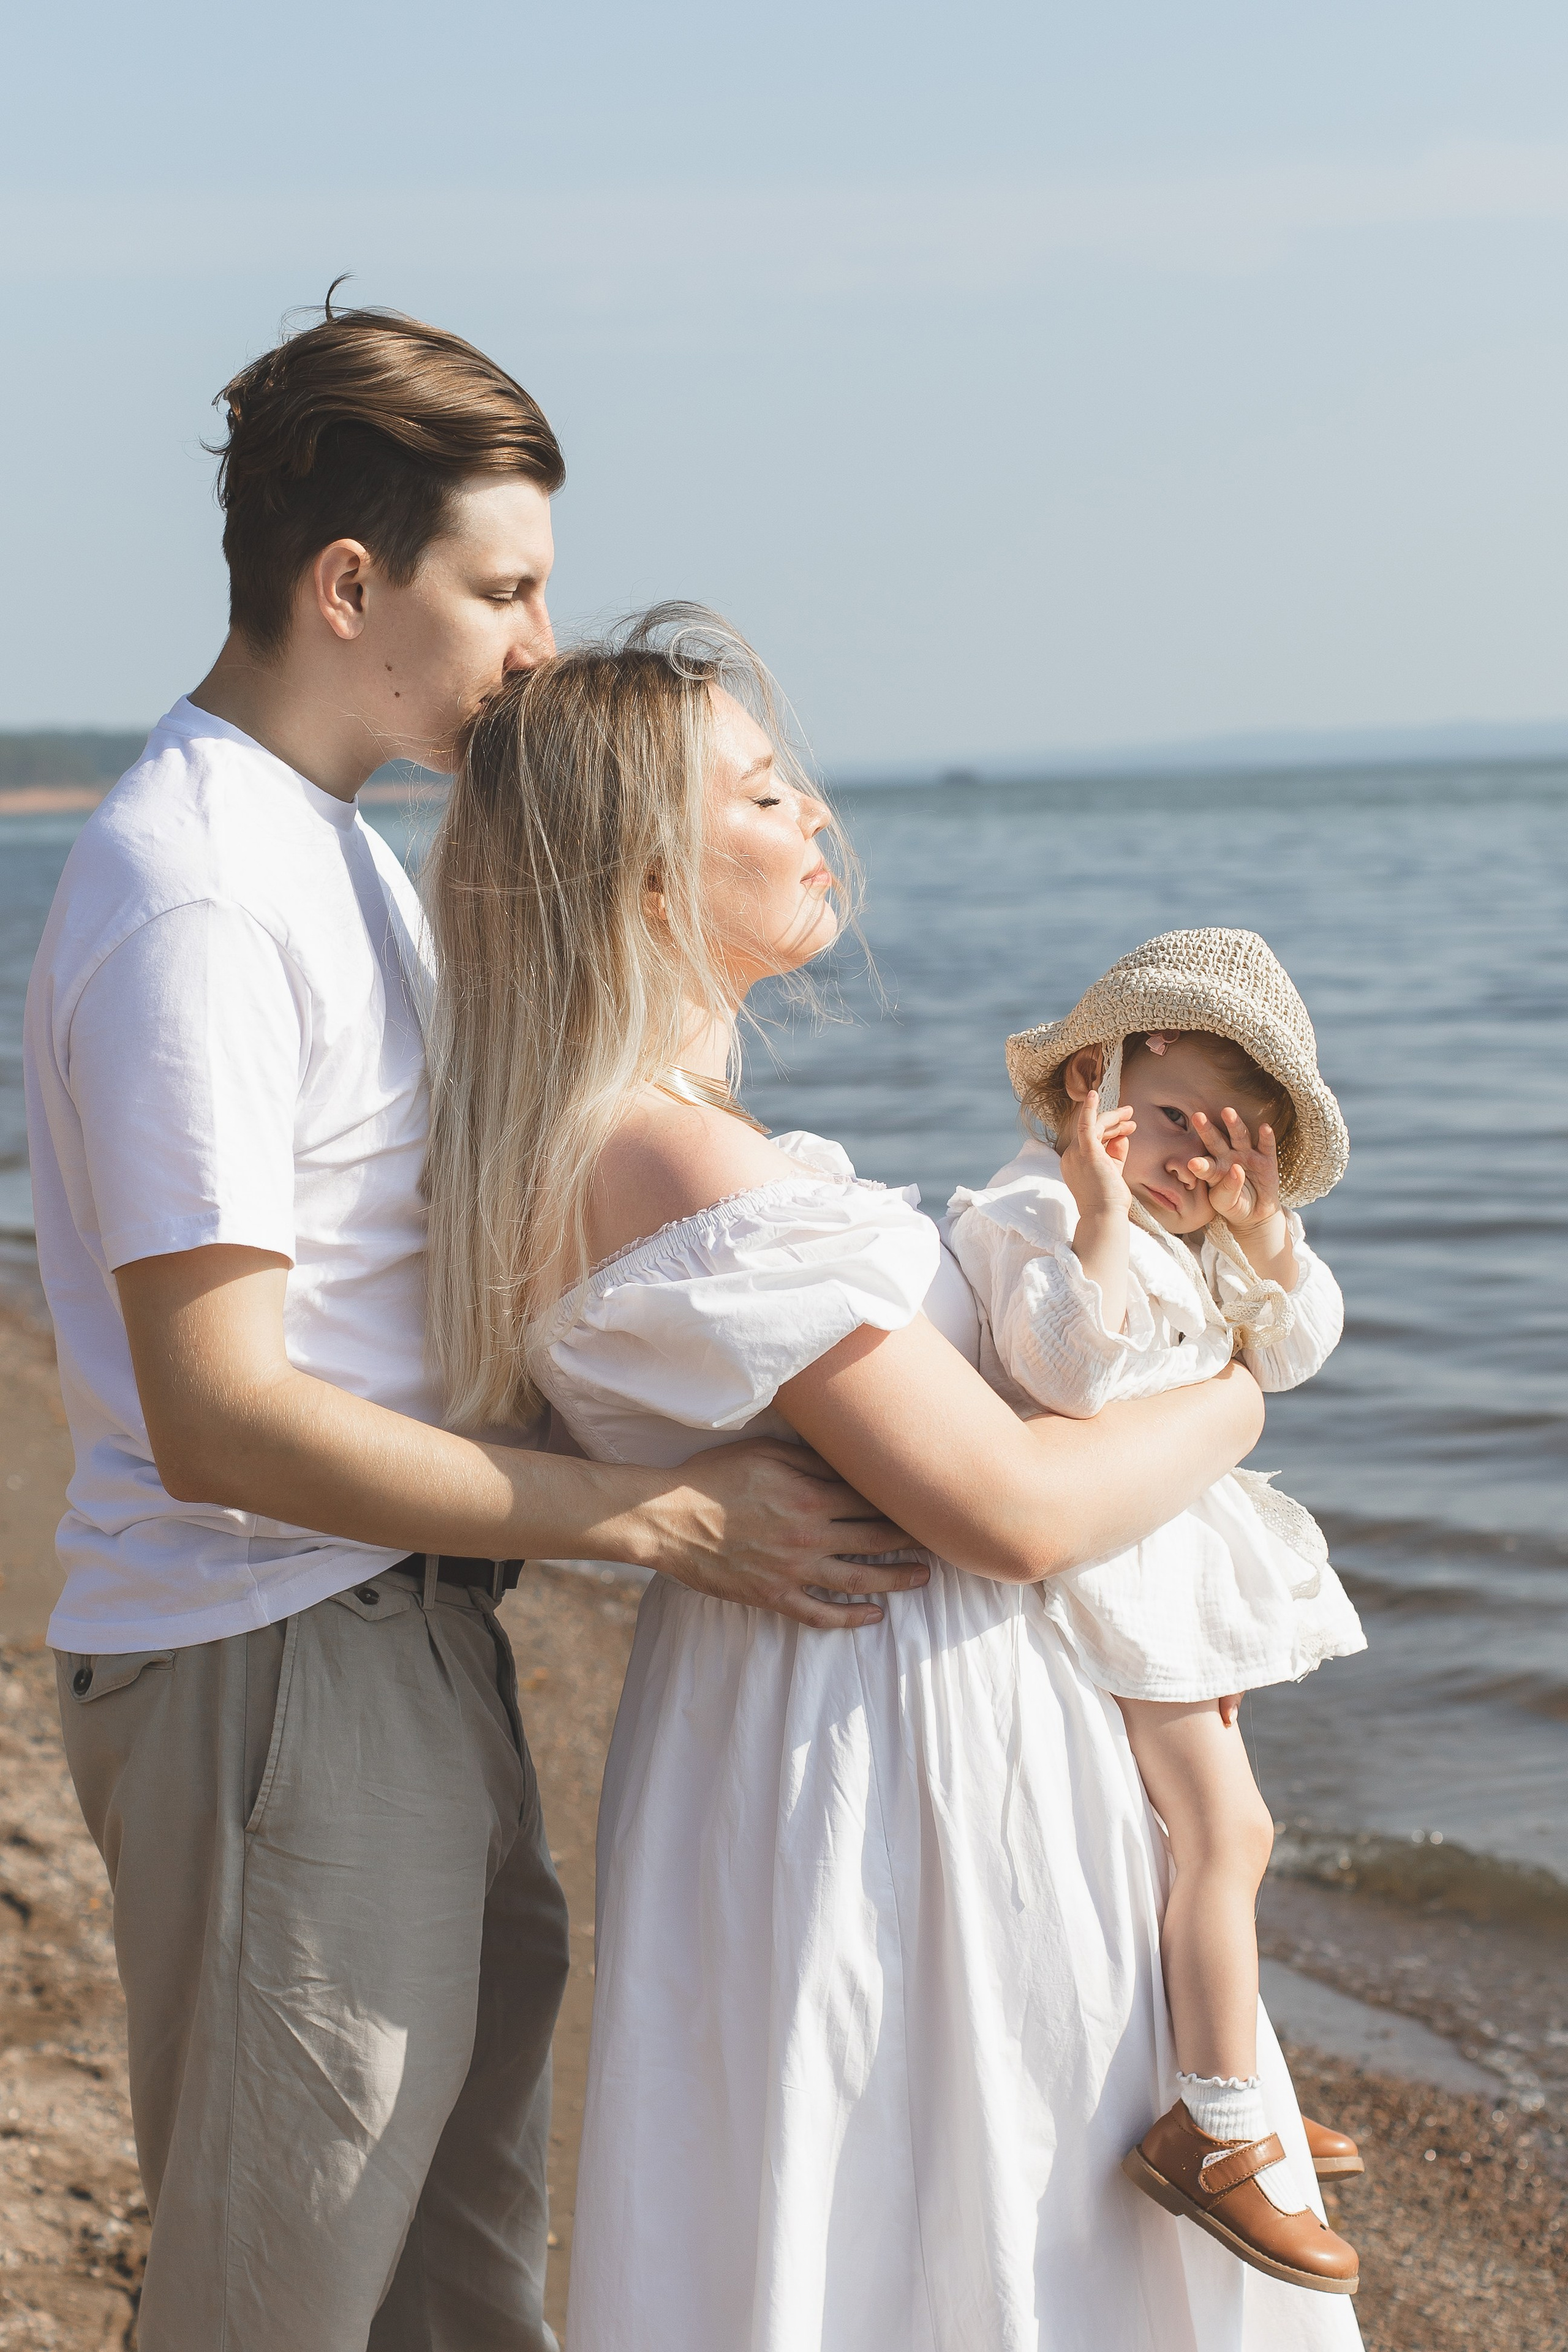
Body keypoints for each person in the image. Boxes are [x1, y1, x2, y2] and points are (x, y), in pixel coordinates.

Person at [21, 306, 922, 2352]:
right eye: (501, 591)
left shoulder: (332, 856)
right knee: (281, 2307)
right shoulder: (198, 895)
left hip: (405, 1635)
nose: (537, 646)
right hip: (268, 1664)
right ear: (350, 586)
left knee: (460, 2299)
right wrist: (666, 1519)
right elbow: (224, 1414)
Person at [421, 607, 1365, 2348]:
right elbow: (1011, 1505)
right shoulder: (683, 1158)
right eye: (769, 795)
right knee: (971, 2227)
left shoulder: (618, 1137)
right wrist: (1238, 1394)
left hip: (811, 1733)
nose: (818, 822)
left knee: (905, 2220)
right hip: (891, 1759)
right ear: (643, 872)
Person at [948, 930, 1365, 2292]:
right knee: (1227, 1830)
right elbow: (1065, 1376)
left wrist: (1259, 1231)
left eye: (1234, 1139)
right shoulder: (1029, 1216)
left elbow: (1293, 1352)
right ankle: (1216, 2129)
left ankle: (1225, 2065)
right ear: (1090, 1090)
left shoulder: (1210, 1229)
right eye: (1172, 1119)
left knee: (1181, 1843)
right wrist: (1100, 1217)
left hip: (1167, 1567)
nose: (1198, 1157)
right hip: (1103, 1568)